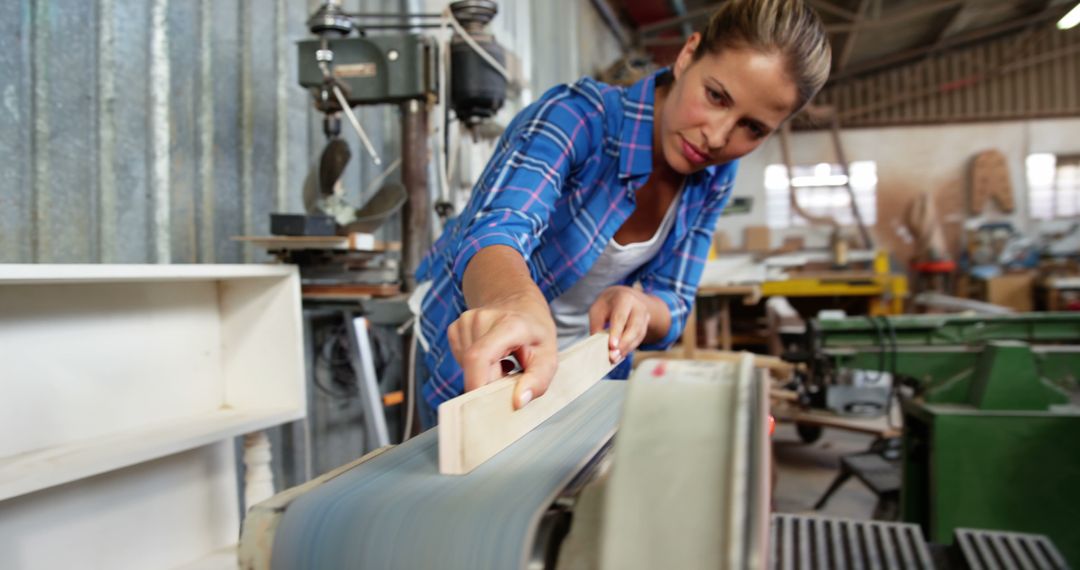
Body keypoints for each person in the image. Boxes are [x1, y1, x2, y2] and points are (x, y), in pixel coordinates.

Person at [412, 0, 830, 429]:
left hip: (579, 377)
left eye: (753, 128)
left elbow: (675, 299)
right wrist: (512, 303)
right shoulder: (577, 117)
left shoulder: (716, 174)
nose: (718, 137)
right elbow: (497, 228)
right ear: (687, 56)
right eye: (716, 96)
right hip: (472, 362)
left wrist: (641, 306)